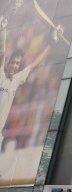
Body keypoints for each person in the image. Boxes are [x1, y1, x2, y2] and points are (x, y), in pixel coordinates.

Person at [0, 17, 52, 145]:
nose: (14, 65)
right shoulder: (1, 74)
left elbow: (35, 64)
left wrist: (51, 42)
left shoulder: (17, 79)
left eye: (17, 63)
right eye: (13, 62)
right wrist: (3, 29)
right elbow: (2, 52)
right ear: (8, 63)